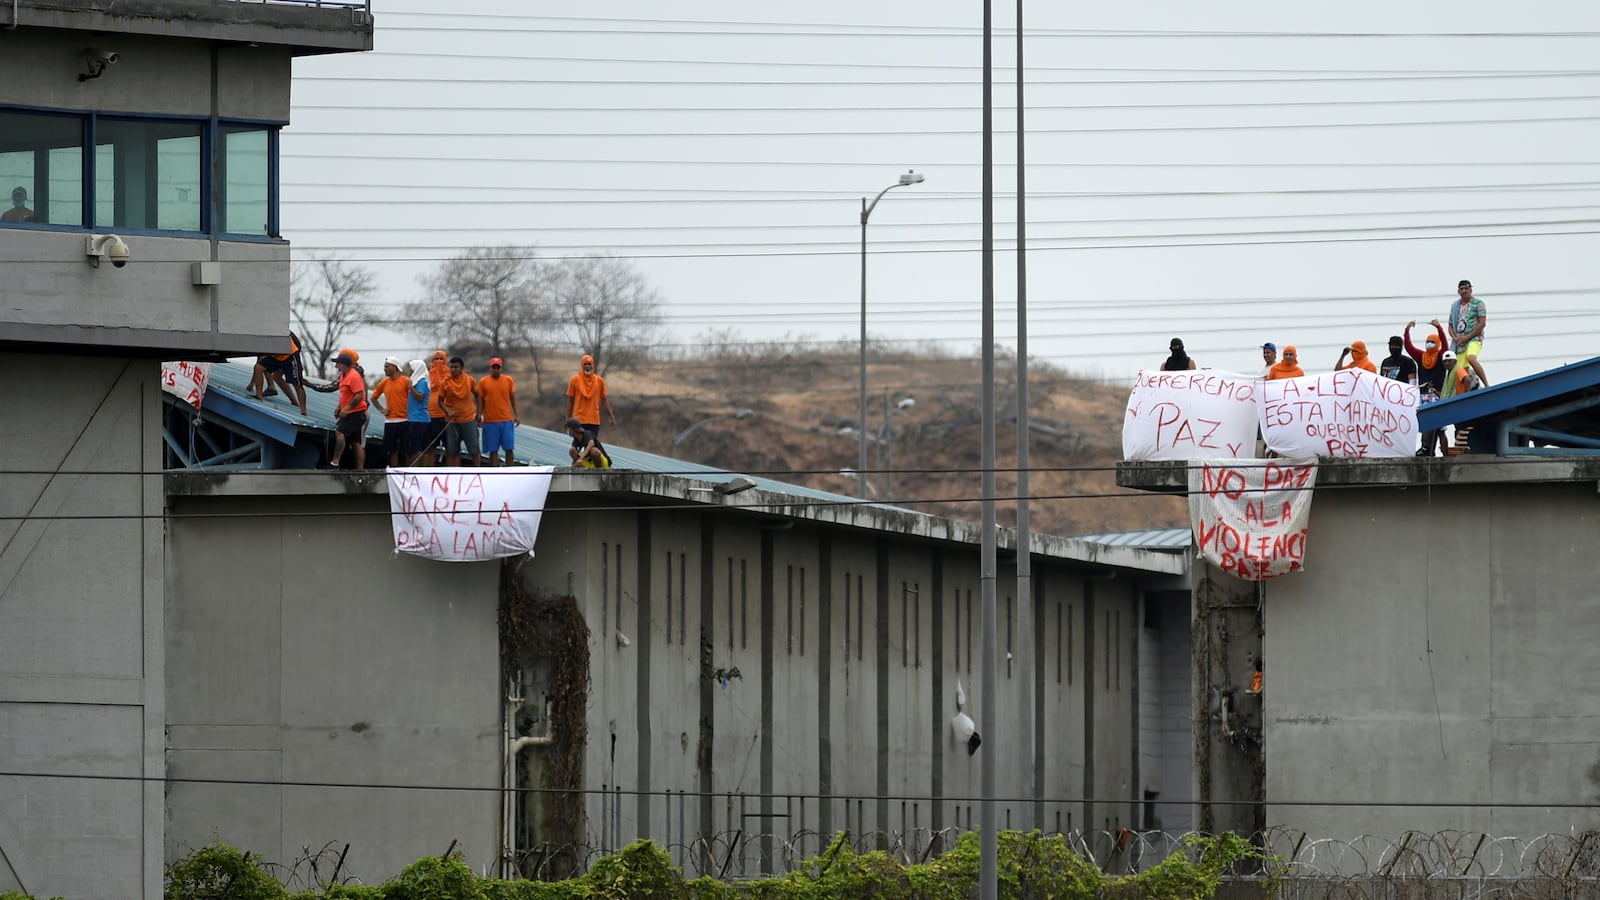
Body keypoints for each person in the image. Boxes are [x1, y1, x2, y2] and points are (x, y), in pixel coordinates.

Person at [1406, 320, 1450, 456]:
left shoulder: (1441, 357)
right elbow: (1409, 348)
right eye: (1428, 341)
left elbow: (1446, 345)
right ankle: (1426, 449)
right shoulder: (1421, 357)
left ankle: (1446, 454)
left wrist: (1439, 328)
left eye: (1432, 341)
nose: (1429, 343)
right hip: (1423, 395)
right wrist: (1407, 331)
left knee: (1441, 429)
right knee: (1426, 425)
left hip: (1437, 395)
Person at [248, 332, 308, 415]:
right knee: (259, 368)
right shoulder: (260, 337)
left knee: (297, 383)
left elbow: (296, 345)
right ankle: (259, 395)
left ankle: (303, 410)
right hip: (275, 357)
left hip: (289, 356)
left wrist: (251, 385)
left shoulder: (280, 331)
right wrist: (251, 385)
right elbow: (259, 361)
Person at [476, 356, 520, 467]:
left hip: (506, 420)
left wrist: (516, 414)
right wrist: (479, 415)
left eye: (498, 367)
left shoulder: (508, 380)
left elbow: (512, 398)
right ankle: (494, 471)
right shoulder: (483, 382)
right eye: (493, 367)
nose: (495, 370)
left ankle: (510, 470)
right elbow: (480, 400)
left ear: (501, 368)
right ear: (490, 368)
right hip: (490, 421)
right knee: (493, 449)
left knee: (509, 448)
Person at [437, 356, 481, 467]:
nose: (453, 369)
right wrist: (448, 411)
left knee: (474, 449)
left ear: (461, 368)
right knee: (453, 451)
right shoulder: (445, 383)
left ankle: (478, 472)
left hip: (468, 419)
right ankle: (456, 473)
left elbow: (478, 395)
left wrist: (479, 413)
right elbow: (440, 401)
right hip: (452, 421)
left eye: (456, 367)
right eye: (451, 367)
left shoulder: (469, 380)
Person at [370, 357, 411, 467]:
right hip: (390, 421)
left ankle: (407, 470)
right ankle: (393, 470)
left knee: (406, 449)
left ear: (395, 367)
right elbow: (373, 397)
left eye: (387, 367)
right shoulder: (384, 382)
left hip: (405, 420)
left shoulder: (406, 381)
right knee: (390, 449)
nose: (385, 369)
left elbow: (413, 398)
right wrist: (381, 409)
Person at [566, 353, 617, 443]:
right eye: (585, 364)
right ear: (582, 365)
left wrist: (611, 417)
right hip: (579, 421)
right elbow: (571, 401)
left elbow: (605, 401)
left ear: (593, 365)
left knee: (592, 447)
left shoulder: (600, 381)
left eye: (589, 364)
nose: (587, 366)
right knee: (578, 447)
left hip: (594, 421)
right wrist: (568, 421)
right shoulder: (574, 380)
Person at [1448, 279, 1489, 387]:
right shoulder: (1455, 306)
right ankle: (1467, 394)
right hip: (1460, 343)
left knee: (1471, 358)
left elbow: (1482, 323)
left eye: (1466, 288)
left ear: (1471, 289)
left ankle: (1487, 385)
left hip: (1474, 338)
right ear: (1458, 291)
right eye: (1461, 289)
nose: (1464, 291)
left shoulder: (1478, 303)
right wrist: (1455, 338)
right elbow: (1450, 326)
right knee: (1460, 372)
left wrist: (1467, 338)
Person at [329, 352, 367, 469]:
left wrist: (347, 408)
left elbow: (359, 395)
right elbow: (345, 395)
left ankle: (335, 462)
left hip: (356, 412)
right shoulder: (343, 376)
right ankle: (359, 469)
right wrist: (339, 407)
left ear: (344, 365)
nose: (336, 367)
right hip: (349, 411)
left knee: (340, 433)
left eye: (338, 364)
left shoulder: (354, 376)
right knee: (355, 441)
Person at [420, 350, 451, 466]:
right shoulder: (427, 376)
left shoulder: (450, 375)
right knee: (429, 448)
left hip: (446, 417)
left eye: (441, 359)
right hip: (430, 416)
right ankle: (428, 472)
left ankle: (450, 472)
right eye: (436, 359)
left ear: (445, 361)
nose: (438, 362)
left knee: (450, 448)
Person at [404, 359, 433, 466]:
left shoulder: (422, 382)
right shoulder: (416, 381)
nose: (410, 372)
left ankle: (416, 468)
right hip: (413, 417)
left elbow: (420, 397)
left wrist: (411, 388)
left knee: (416, 447)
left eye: (412, 369)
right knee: (413, 445)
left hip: (419, 418)